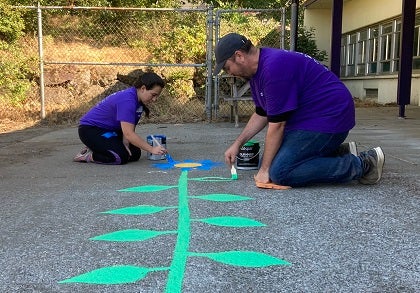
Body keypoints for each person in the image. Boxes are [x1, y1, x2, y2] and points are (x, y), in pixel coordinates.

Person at [214, 33, 385, 187]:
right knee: (269, 163)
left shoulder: (273, 68)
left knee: (280, 172)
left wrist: (266, 170)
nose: (229, 73)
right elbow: (262, 113)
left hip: (330, 116)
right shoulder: (256, 73)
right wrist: (238, 144)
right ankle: (336, 153)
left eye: (227, 68)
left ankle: (364, 164)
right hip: (312, 118)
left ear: (239, 56)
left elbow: (277, 125)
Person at [73, 72, 167, 165]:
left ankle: (100, 147)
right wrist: (152, 149)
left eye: (157, 96)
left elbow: (128, 128)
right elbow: (129, 133)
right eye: (153, 95)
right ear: (143, 88)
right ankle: (89, 155)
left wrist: (125, 143)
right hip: (91, 130)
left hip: (109, 130)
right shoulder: (128, 101)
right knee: (119, 157)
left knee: (134, 154)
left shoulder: (138, 100)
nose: (155, 99)